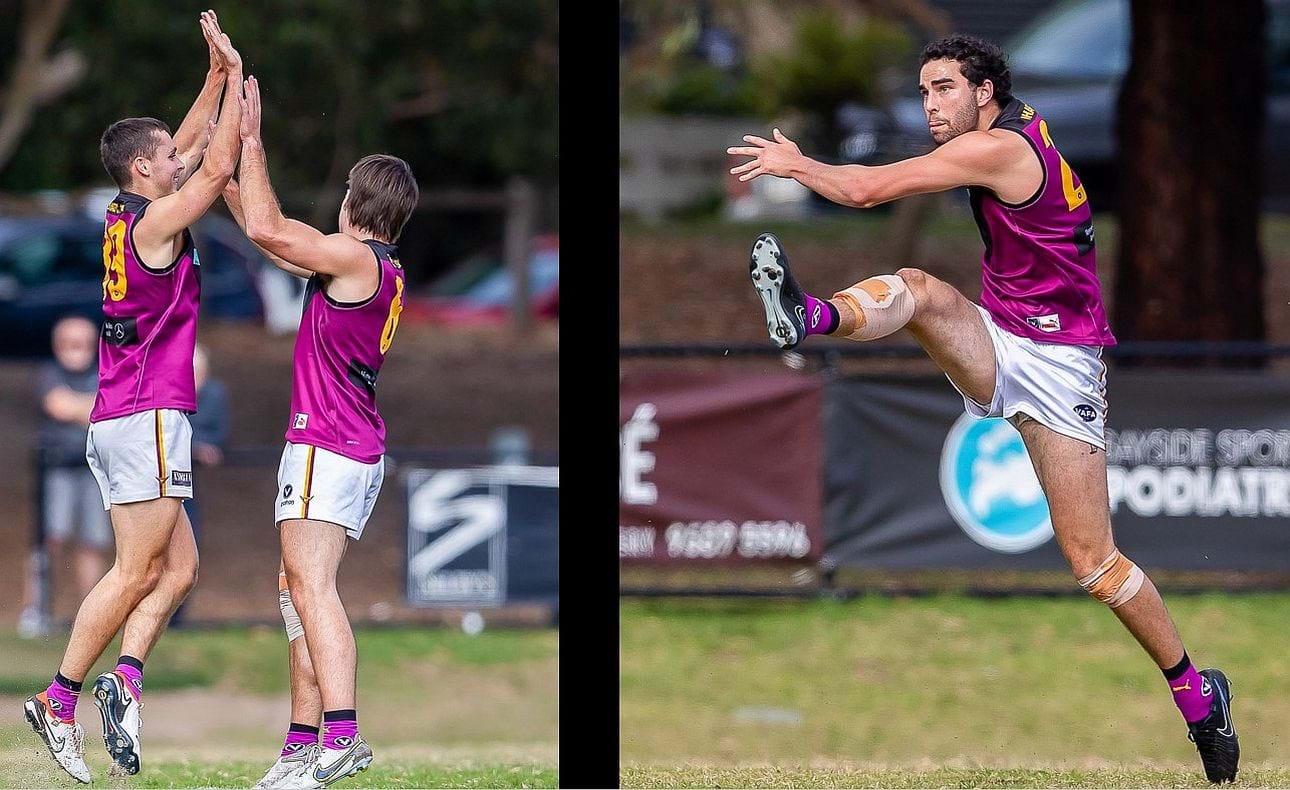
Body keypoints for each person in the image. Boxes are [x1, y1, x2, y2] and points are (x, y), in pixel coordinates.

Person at [728, 35, 1239, 784]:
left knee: (1094, 564)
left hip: (1064, 361)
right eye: (925, 90)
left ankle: (1199, 695)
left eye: (943, 89)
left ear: (985, 92)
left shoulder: (999, 149)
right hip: (1003, 336)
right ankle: (809, 319)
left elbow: (871, 192)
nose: (930, 104)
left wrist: (800, 165)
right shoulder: (1013, 129)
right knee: (918, 288)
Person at [23, 11, 244, 783]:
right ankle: (58, 699)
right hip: (144, 416)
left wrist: (214, 78)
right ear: (144, 171)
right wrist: (242, 112)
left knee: (179, 570)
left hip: (133, 415)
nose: (175, 162)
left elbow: (185, 153)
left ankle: (125, 683)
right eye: (165, 159)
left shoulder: (128, 213)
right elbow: (213, 172)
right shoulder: (157, 225)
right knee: (132, 572)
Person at [221, 76, 416, 788]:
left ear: (353, 202)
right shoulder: (373, 267)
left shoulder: (357, 258)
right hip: (350, 444)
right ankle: (302, 749)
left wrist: (249, 143)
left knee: (311, 590)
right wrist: (226, 185)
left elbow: (276, 232)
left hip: (326, 444)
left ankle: (341, 735)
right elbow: (275, 243)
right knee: (297, 591)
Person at [36, 316, 112, 606]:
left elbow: (111, 408)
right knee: (50, 538)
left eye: (84, 343)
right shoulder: (49, 373)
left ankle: (89, 611)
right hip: (57, 469)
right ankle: (38, 609)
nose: (77, 349)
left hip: (96, 472)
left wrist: (79, 407)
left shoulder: (105, 372)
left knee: (94, 542)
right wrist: (91, 406)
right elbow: (58, 405)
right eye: (70, 343)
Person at [171, 343, 230, 628]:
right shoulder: (167, 393)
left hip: (188, 486)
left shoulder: (215, 395)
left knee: (188, 554)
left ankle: (176, 618)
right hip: (162, 482)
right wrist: (196, 447)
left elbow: (218, 434)